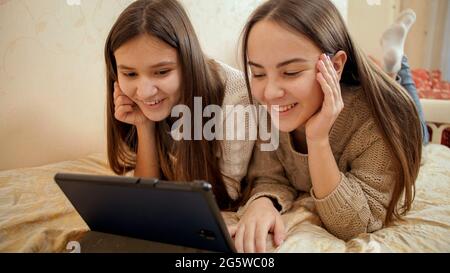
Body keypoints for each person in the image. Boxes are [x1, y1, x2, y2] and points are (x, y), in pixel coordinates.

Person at [230, 0, 423, 253]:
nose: (270, 92)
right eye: (258, 73)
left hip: (398, 116)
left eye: (290, 72)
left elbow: (355, 223)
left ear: (335, 66)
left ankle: (397, 65)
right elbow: (270, 176)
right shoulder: (268, 105)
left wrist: (318, 140)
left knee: (412, 106)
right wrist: (262, 203)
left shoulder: (382, 119)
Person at [104, 0, 254, 210]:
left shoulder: (236, 96)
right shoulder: (142, 103)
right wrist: (145, 127)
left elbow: (223, 194)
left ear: (188, 61)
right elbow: (145, 194)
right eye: (130, 74)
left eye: (162, 72)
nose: (145, 91)